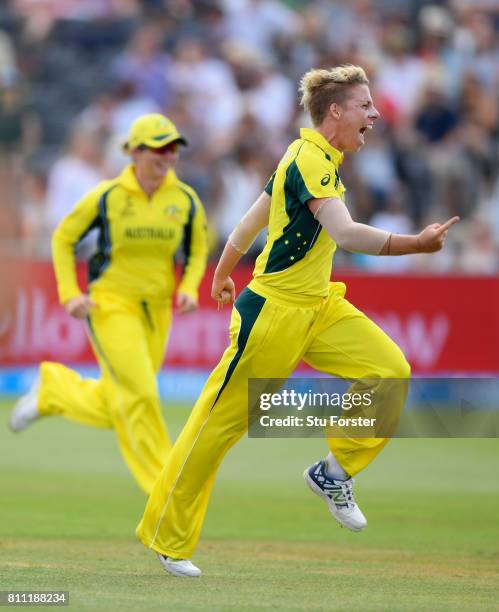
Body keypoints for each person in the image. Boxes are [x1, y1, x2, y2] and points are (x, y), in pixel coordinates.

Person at [136, 66, 459, 577]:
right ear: (335, 112)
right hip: (274, 314)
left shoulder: (308, 155)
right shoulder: (311, 159)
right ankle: (165, 537)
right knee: (214, 429)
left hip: (320, 307)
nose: (375, 115)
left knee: (389, 371)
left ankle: (333, 473)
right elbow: (347, 235)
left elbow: (250, 220)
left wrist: (222, 273)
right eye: (365, 106)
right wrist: (413, 244)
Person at [9, 113, 209, 495]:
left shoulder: (184, 200)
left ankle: (54, 391)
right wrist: (70, 293)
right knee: (142, 393)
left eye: (173, 149)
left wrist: (188, 286)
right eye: (158, 148)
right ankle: (166, 490)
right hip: (110, 306)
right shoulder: (107, 197)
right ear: (134, 152)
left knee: (122, 398)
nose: (167, 156)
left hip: (157, 310)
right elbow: (63, 238)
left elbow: (198, 248)